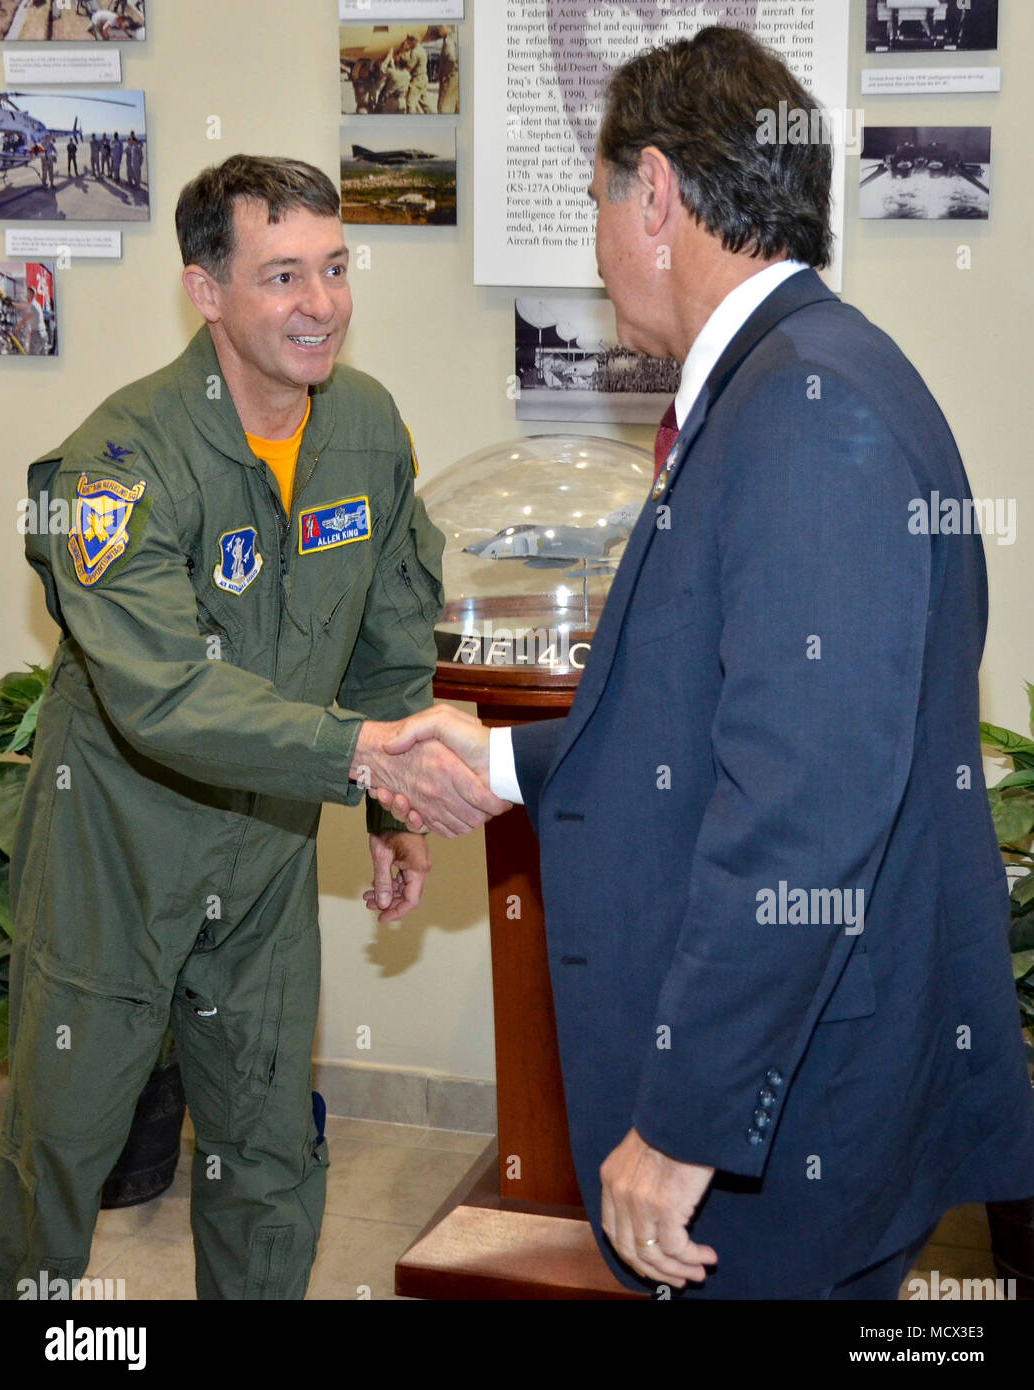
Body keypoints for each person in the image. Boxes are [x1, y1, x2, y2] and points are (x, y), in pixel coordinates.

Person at [373, 27, 1034, 1300]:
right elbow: (713, 712)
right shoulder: (796, 381)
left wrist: (687, 1121)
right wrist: (499, 759)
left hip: (789, 1127)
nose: (597, 240)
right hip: (813, 1092)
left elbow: (804, 803)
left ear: (658, 193)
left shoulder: (806, 416)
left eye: (597, 203)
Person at [0, 153, 507, 1302]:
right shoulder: (121, 461)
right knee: (58, 1155)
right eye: (281, 275)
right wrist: (363, 757)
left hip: (266, 854)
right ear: (205, 289)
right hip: (113, 855)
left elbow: (387, 637)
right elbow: (165, 693)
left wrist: (387, 808)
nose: (319, 304)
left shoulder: (366, 428)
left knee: (267, 1149)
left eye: (332, 268)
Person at [12, 286, 48, 356]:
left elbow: (24, 319)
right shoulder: (36, 304)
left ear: (31, 294)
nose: (26, 294)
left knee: (32, 356)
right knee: (43, 356)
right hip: (43, 333)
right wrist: (13, 304)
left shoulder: (32, 305)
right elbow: (24, 306)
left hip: (37, 335)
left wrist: (16, 327)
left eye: (27, 293)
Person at [402, 35, 430, 115]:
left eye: (409, 42)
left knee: (410, 102)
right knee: (424, 101)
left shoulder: (415, 52)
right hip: (423, 78)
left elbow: (409, 68)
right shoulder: (421, 49)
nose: (408, 44)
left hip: (417, 79)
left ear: (413, 41)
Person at [436, 25, 459, 114]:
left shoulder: (448, 40)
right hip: (457, 75)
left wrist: (446, 74)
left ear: (448, 27)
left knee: (443, 107)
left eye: (441, 26)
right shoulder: (457, 37)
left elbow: (451, 57)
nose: (438, 29)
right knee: (456, 105)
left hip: (449, 77)